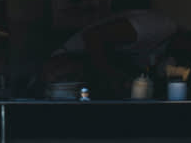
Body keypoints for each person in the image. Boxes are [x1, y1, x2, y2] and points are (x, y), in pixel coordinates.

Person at [47, 8, 178, 96]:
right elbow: (93, 37)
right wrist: (112, 76)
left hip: (88, 82)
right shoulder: (160, 26)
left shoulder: (165, 56)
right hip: (64, 65)